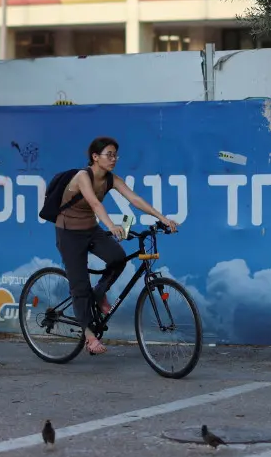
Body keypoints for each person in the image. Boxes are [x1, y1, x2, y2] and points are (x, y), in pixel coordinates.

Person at [54, 135, 179, 355]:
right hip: (69, 234)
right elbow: (93, 202)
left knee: (118, 258)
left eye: (115, 155)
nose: (113, 159)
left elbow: (135, 199)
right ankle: (90, 337)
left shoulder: (111, 179)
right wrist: (111, 225)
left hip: (90, 230)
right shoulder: (83, 176)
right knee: (80, 286)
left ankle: (99, 292)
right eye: (109, 155)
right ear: (95, 157)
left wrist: (163, 218)